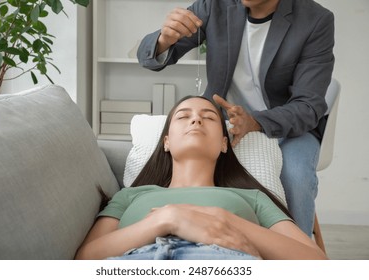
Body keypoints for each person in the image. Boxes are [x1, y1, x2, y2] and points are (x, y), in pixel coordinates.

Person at [136, 0, 335, 236]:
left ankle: (297, 253)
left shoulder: (315, 19)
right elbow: (149, 57)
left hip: (286, 128)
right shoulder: (215, 5)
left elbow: (308, 107)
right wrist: (164, 40)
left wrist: (256, 122)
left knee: (295, 175)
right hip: (221, 123)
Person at [75, 96, 327, 260]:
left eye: (209, 117)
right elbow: (85, 259)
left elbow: (316, 262)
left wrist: (226, 220)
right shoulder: (130, 195)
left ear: (224, 144)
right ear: (166, 142)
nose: (196, 118)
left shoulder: (253, 197)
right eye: (184, 116)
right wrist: (167, 219)